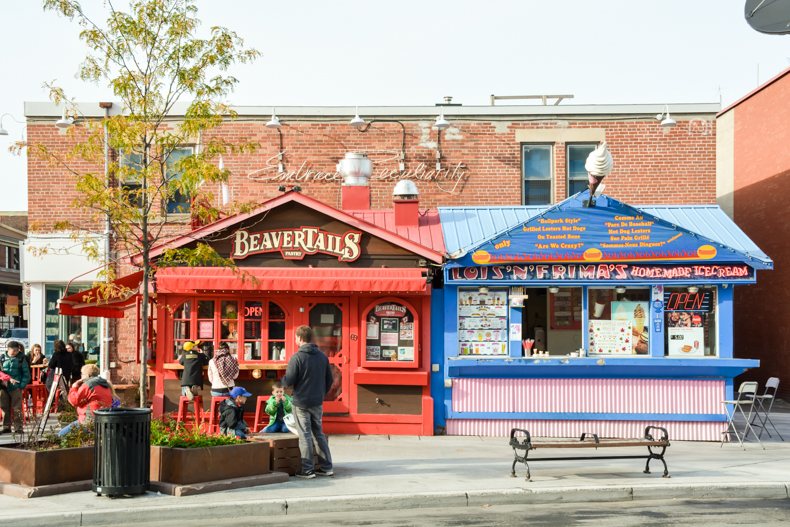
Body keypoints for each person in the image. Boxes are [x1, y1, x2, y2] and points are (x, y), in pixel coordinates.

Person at [282, 325, 334, 478]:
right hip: (317, 401)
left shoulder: (297, 357)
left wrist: (282, 381)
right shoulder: (322, 357)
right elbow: (329, 380)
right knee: (319, 433)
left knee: (304, 435)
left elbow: (289, 380)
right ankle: (326, 467)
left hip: (301, 402)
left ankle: (307, 470)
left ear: (299, 338)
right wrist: (320, 394)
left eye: (296, 337)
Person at [59, 364, 115, 436]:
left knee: (61, 435)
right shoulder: (104, 384)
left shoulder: (89, 385)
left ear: (87, 375)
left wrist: (74, 388)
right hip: (102, 420)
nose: (81, 376)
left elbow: (74, 401)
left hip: (88, 421)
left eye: (82, 374)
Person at [0, 341, 31, 434]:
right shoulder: (1, 358)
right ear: (8, 349)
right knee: (4, 407)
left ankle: (18, 427)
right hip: (3, 386)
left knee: (17, 408)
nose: (16, 352)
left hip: (16, 387)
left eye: (17, 350)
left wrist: (21, 386)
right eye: (14, 350)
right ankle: (6, 427)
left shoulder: (22, 359)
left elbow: (27, 374)